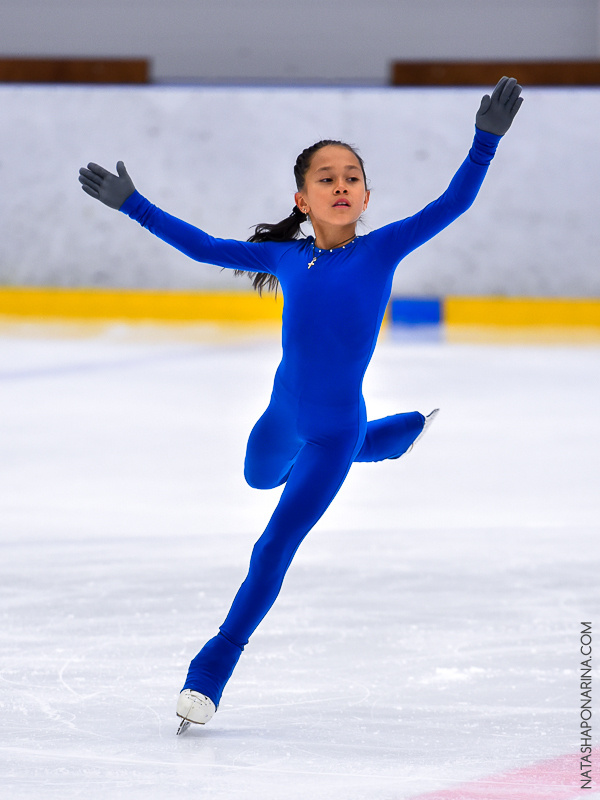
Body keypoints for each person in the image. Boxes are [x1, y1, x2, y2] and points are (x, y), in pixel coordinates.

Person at [79, 77, 523, 732]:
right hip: (282, 418)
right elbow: (205, 248)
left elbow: (454, 202)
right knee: (258, 477)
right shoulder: (284, 257)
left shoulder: (383, 249)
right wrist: (134, 205)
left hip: (331, 432)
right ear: (302, 199)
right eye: (325, 178)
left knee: (273, 546)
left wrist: (485, 142)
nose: (341, 186)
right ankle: (386, 439)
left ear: (366, 197)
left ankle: (211, 669)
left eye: (352, 178)